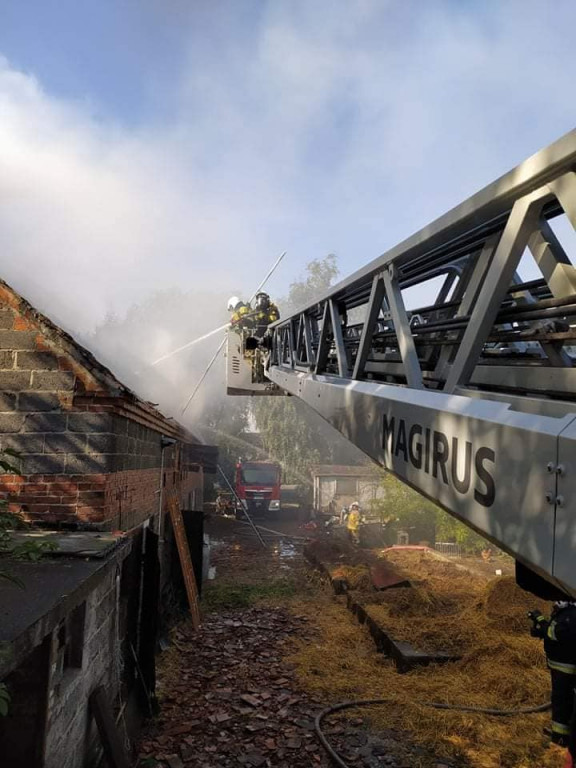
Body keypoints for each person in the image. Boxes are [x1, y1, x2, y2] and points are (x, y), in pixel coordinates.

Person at [530, 602, 576, 764]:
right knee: (563, 702)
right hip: (560, 667)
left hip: (566, 669)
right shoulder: (564, 613)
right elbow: (551, 630)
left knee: (562, 703)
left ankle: (560, 740)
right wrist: (540, 626)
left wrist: (541, 622)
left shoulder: (571, 615)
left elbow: (555, 632)